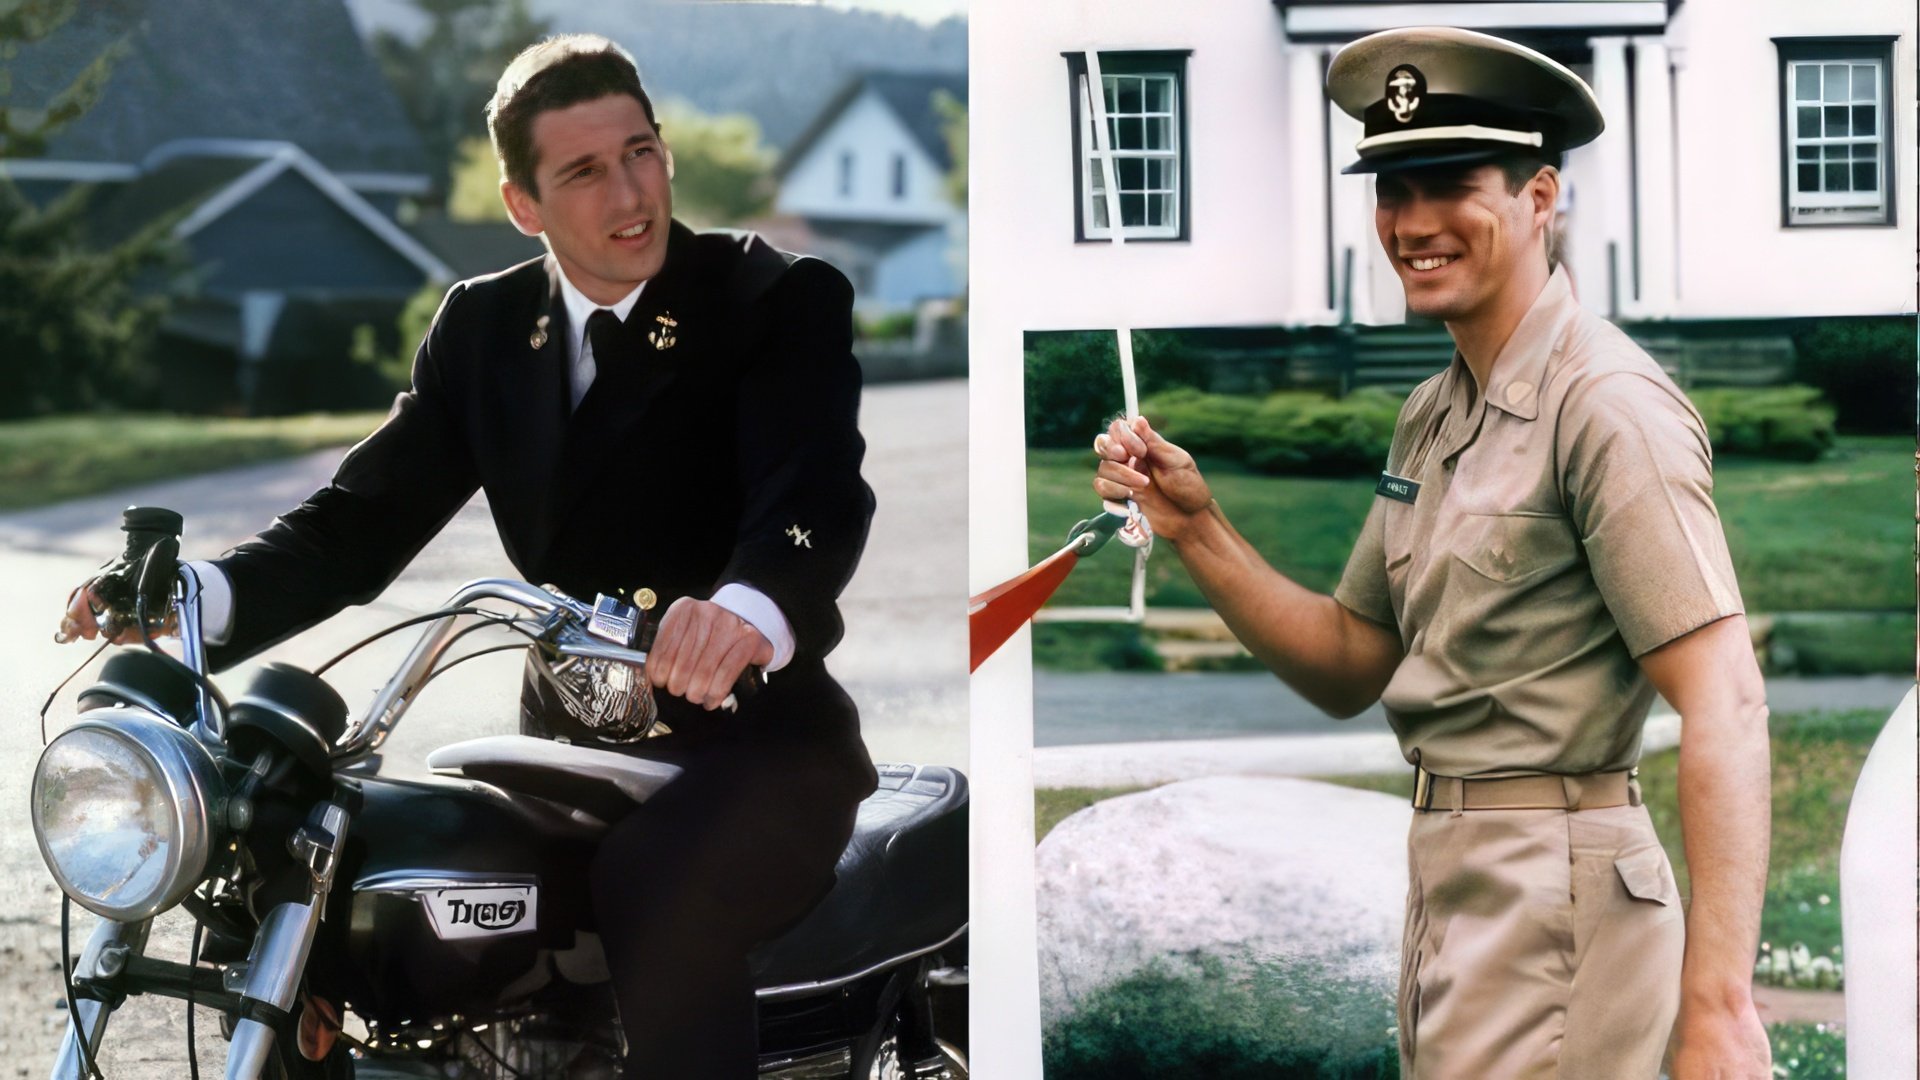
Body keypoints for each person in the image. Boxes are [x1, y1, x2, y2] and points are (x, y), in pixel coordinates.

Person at [61, 33, 879, 1079]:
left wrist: (747, 607)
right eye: (583, 171)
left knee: (655, 889)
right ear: (523, 205)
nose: (630, 191)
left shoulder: (770, 301)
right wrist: (198, 595)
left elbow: (812, 489)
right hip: (569, 751)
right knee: (331, 875)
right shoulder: (485, 330)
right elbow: (359, 519)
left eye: (642, 151)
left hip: (757, 755)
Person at [1094, 27, 1770, 1080]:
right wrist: (1197, 528)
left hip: (1557, 891)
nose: (1410, 223)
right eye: (1391, 188)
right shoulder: (1432, 411)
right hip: (1455, 881)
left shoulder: (1607, 406)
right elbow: (1351, 658)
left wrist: (1720, 1008)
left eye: (1449, 183)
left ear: (1540, 197)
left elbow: (1725, 698)